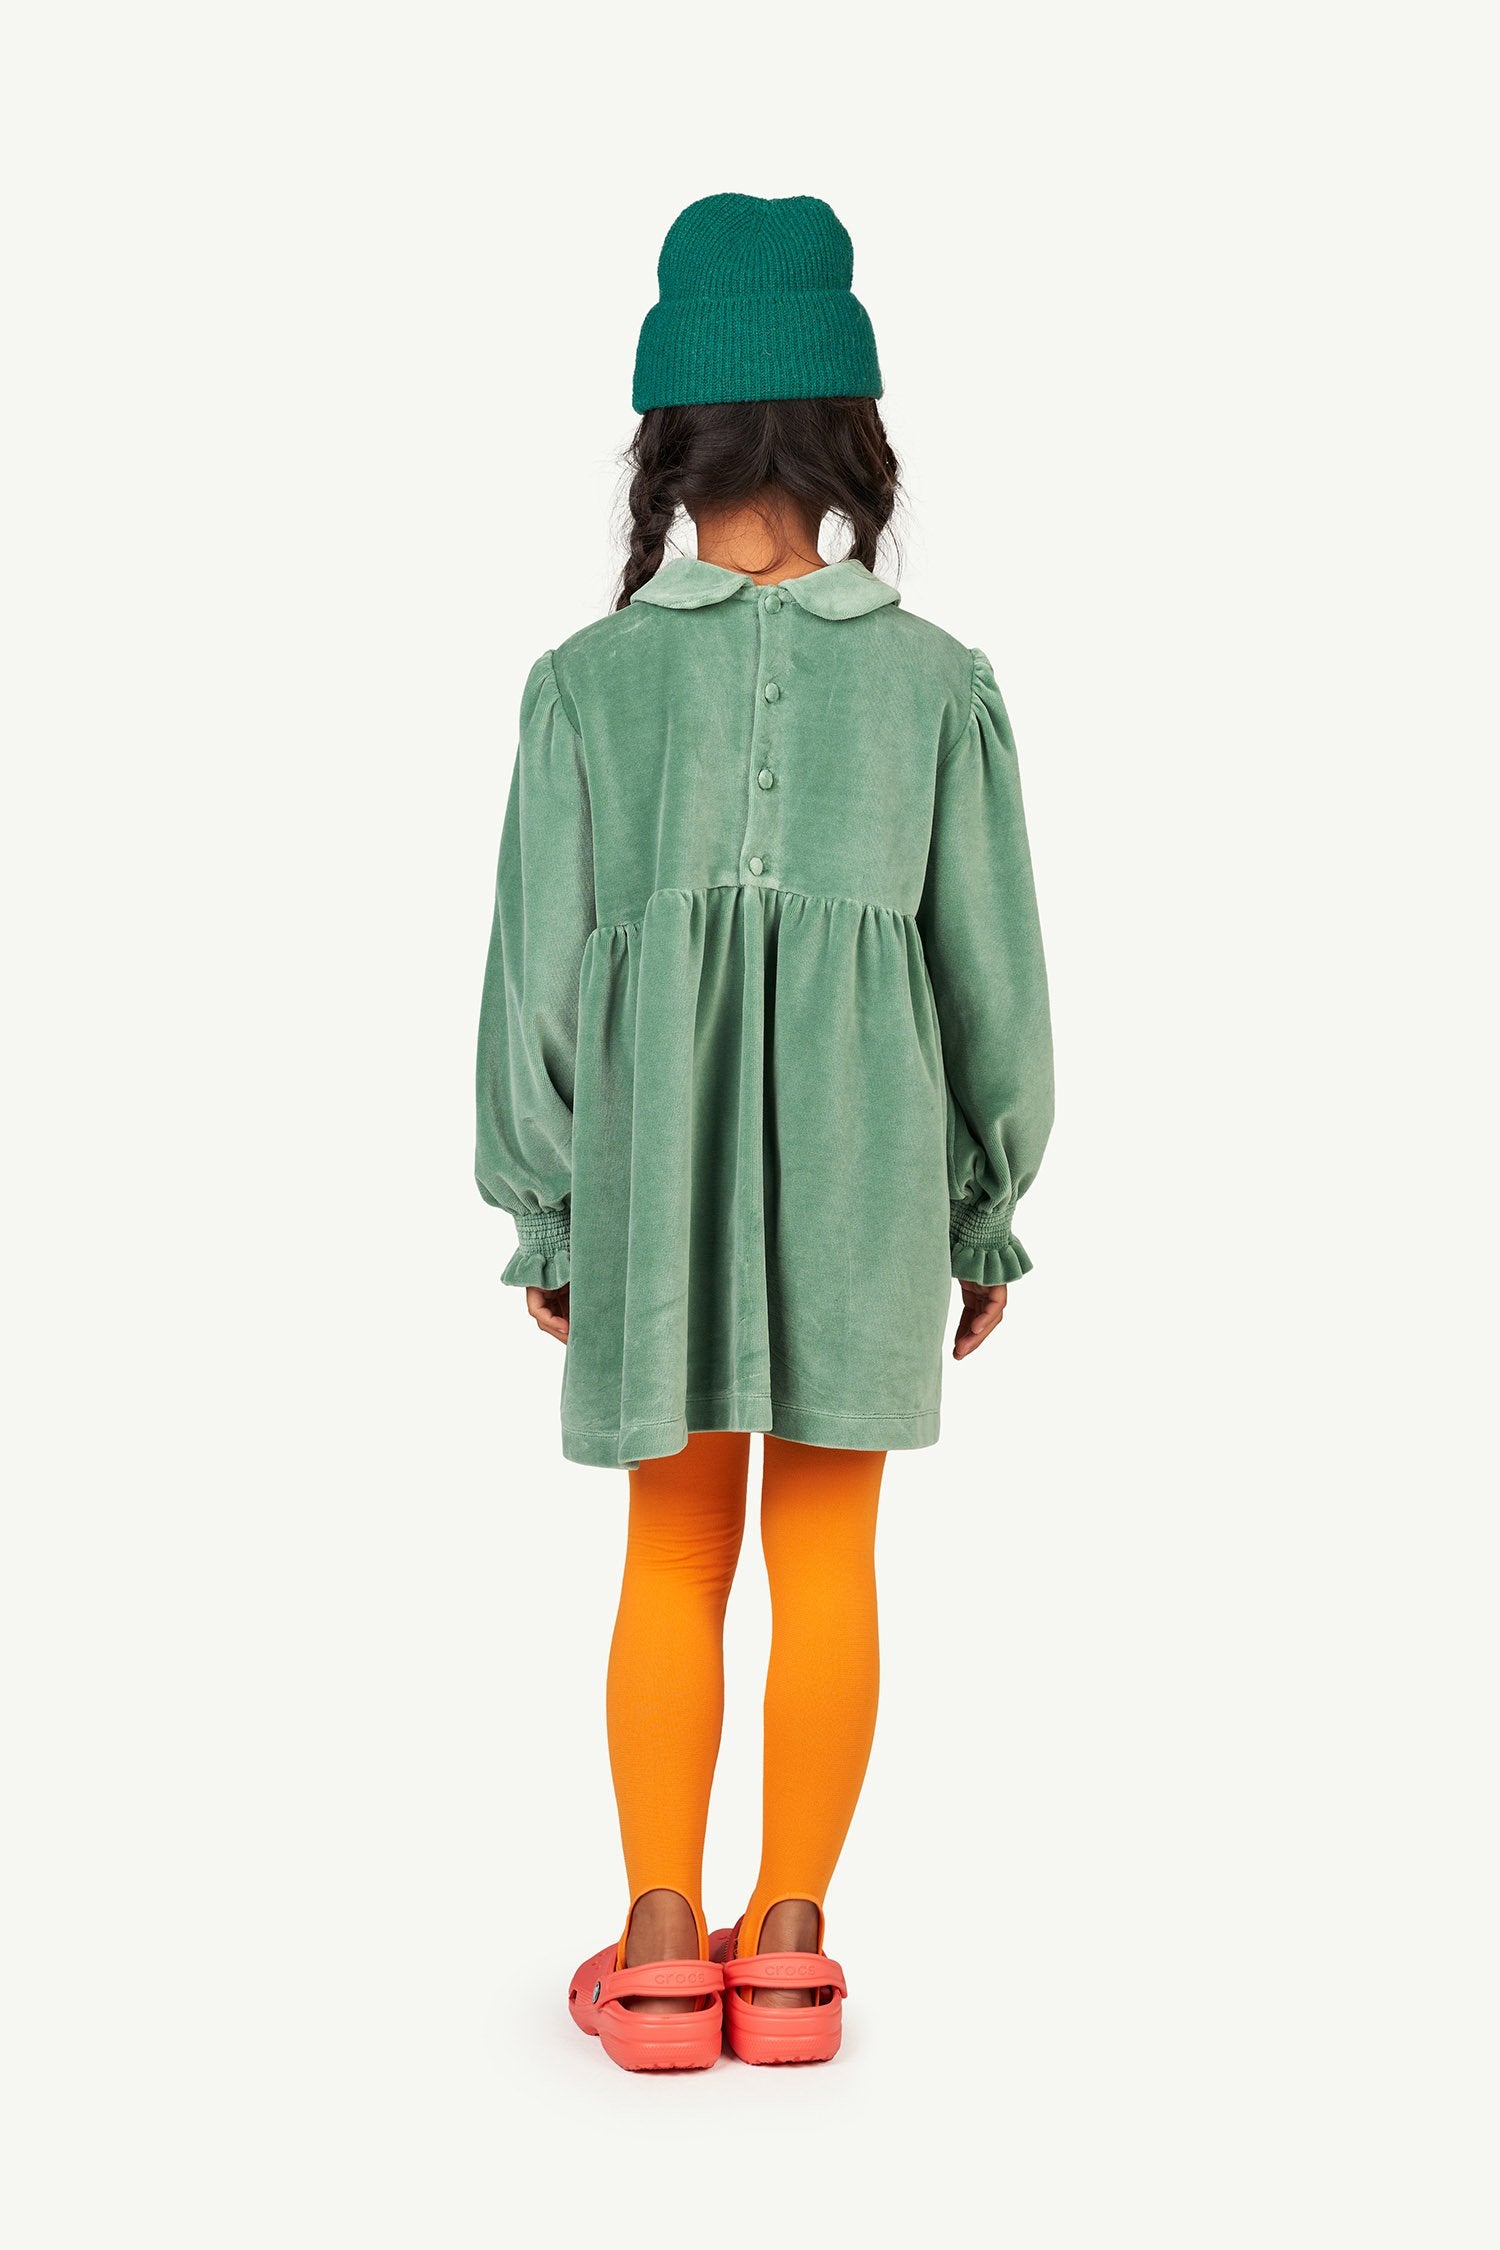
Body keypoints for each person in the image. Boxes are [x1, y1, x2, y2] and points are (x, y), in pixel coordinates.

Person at [475, 193, 1055, 2071]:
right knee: (828, 1557)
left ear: (673, 433)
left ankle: (660, 1956)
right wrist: (979, 1203)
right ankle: (790, 1955)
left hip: (651, 1182)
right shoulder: (939, 682)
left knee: (672, 1553)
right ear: (849, 435)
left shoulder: (588, 683)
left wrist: (551, 1207)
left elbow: (536, 971)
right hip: (872, 1187)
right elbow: (992, 972)